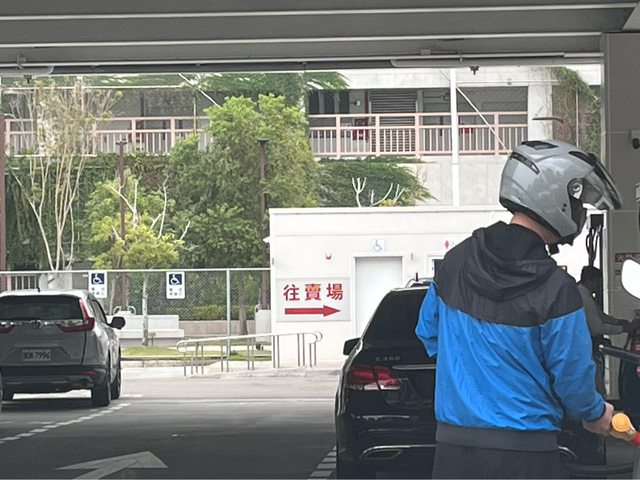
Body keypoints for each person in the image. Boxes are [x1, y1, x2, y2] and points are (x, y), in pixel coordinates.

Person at [415, 140, 622, 479]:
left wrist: (472, 375)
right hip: (526, 454)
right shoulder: (556, 289)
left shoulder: (455, 263)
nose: (580, 213)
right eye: (578, 201)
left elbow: (428, 333)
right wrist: (596, 413)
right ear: (557, 197)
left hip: (454, 451)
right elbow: (571, 377)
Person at [578, 265, 639, 395]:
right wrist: (623, 328)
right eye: (597, 283)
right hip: (586, 344)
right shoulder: (583, 297)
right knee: (596, 383)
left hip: (588, 344)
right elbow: (596, 327)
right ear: (588, 281)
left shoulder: (585, 295)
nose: (599, 286)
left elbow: (599, 315)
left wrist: (618, 322)